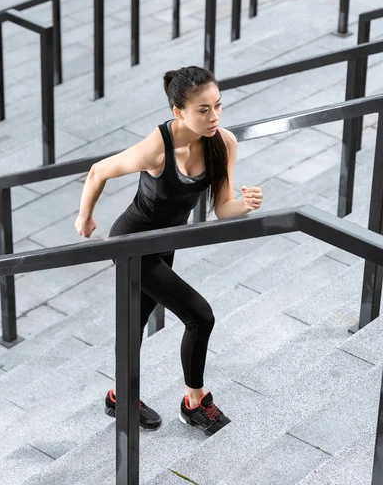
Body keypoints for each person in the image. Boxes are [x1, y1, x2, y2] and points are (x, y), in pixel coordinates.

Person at [74, 66, 263, 437]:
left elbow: (222, 207)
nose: (214, 117)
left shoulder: (223, 143)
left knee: (136, 322)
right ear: (179, 112)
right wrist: (85, 217)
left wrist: (246, 204)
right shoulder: (157, 148)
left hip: (164, 245)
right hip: (132, 244)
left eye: (218, 106)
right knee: (200, 316)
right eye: (203, 110)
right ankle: (195, 402)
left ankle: (119, 397)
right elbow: (98, 171)